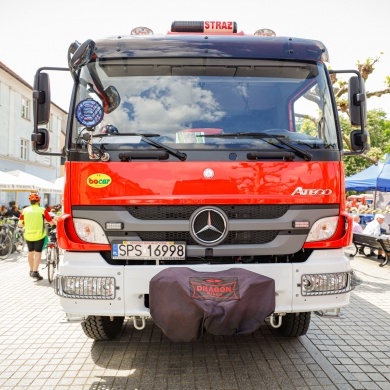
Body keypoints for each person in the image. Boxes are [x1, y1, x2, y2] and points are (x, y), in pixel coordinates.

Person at [18, 193, 57, 281]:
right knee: (37, 253)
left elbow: (20, 224)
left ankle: (31, 270)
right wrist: (55, 225)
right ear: (38, 201)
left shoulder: (25, 210)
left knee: (30, 252)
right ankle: (35, 272)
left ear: (30, 201)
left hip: (28, 235)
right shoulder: (42, 210)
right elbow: (50, 221)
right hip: (39, 235)